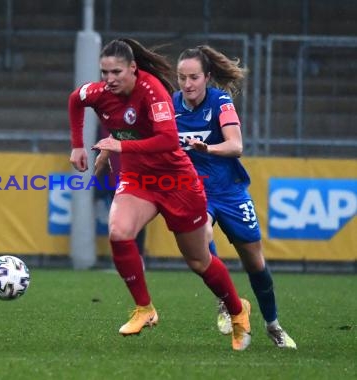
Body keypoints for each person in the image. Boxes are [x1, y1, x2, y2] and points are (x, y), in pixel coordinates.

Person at [68, 38, 252, 351]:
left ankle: (238, 311)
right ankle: (145, 309)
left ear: (133, 69)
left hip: (176, 180)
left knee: (198, 260)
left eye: (117, 72)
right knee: (118, 231)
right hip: (138, 178)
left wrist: (119, 145)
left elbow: (167, 141)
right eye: (104, 72)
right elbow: (75, 99)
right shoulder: (99, 92)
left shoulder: (153, 92)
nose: (109, 79)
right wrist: (76, 144)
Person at [173, 45, 297, 349]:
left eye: (193, 77)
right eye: (181, 77)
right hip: (197, 191)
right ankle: (225, 300)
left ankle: (273, 325)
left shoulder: (221, 102)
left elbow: (236, 146)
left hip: (230, 192)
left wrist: (208, 149)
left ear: (208, 77)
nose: (187, 84)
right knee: (199, 242)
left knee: (255, 263)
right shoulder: (170, 106)